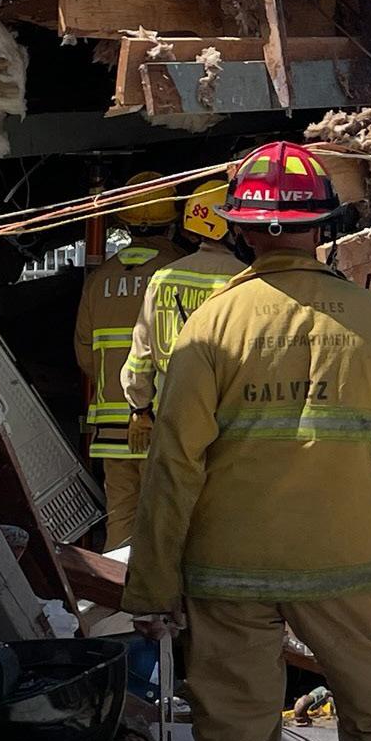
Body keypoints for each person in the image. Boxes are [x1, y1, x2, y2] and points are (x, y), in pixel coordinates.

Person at [121, 141, 371, 741]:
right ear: (322, 227)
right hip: (343, 559)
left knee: (233, 726)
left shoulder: (210, 325)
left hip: (227, 567)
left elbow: (174, 463)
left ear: (239, 229)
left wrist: (153, 583)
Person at [115, 178, 247, 532]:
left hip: (171, 418)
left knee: (169, 518)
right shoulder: (245, 281)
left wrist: (139, 409)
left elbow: (140, 354)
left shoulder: (163, 278)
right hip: (227, 424)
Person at [75, 171, 182, 550]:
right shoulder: (179, 272)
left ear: (123, 223)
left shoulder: (100, 278)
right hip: (163, 421)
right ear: (173, 223)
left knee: (121, 520)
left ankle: (115, 586)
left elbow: (85, 354)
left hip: (111, 427)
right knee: (167, 525)